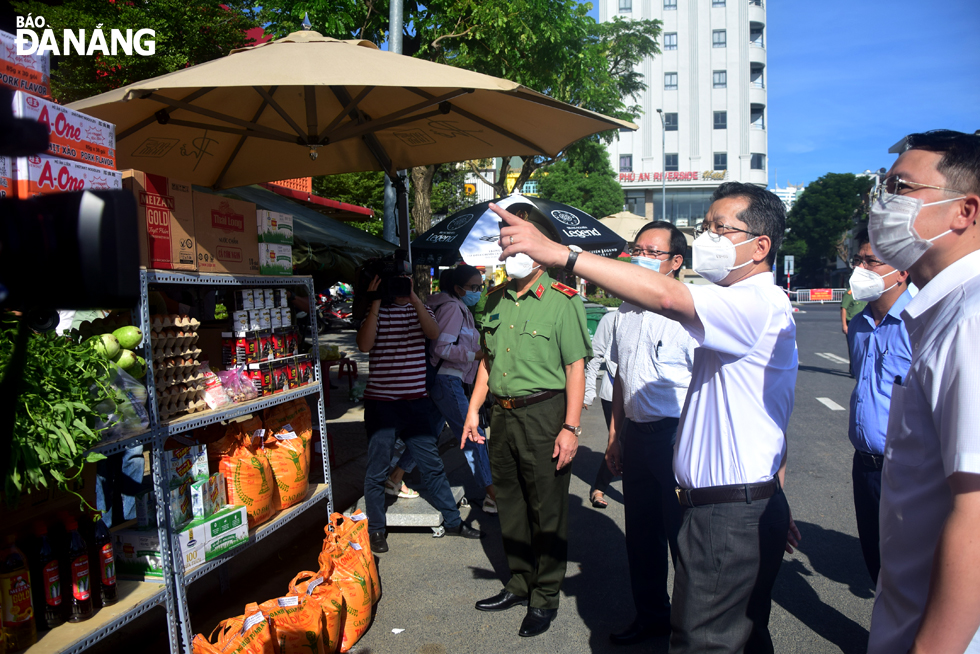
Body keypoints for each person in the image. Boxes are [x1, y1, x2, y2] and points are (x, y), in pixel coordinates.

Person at [493, 182, 800, 653]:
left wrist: (561, 254)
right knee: (736, 630)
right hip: (725, 494)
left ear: (761, 246)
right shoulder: (730, 305)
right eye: (706, 227)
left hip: (728, 508)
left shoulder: (753, 303)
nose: (709, 238)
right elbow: (767, 409)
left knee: (707, 638)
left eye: (721, 228)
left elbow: (667, 297)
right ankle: (652, 615)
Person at [865, 130, 980, 654]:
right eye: (883, 188)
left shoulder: (971, 319)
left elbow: (976, 512)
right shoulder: (944, 313)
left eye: (901, 188)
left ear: (964, 211)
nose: (882, 204)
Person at [462, 204, 592, 639]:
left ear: (541, 245)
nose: (507, 245)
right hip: (502, 414)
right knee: (511, 505)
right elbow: (486, 361)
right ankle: (519, 584)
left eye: (516, 237)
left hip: (544, 413)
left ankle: (545, 596)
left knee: (547, 510)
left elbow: (576, 368)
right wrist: (472, 411)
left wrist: (571, 428)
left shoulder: (562, 301)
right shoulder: (494, 299)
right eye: (505, 237)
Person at [604, 221, 697, 646]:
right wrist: (614, 436)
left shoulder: (689, 316)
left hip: (677, 438)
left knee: (684, 539)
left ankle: (691, 629)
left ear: (676, 262)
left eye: (652, 251)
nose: (640, 256)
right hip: (637, 437)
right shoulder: (624, 313)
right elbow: (622, 377)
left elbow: (706, 385)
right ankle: (651, 617)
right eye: (636, 248)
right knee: (641, 537)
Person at [356, 274, 482, 553]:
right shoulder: (375, 312)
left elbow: (434, 334)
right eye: (397, 285)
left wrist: (414, 297)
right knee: (377, 470)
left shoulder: (420, 309)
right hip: (382, 403)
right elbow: (364, 346)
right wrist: (375, 302)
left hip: (415, 403)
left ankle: (452, 522)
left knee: (432, 464)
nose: (401, 289)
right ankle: (376, 529)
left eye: (406, 283)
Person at [845, 228, 913, 586]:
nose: (861, 268)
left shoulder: (921, 321)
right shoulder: (858, 325)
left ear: (902, 271)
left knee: (911, 570)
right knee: (876, 561)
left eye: (872, 261)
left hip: (908, 468)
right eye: (859, 260)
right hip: (866, 466)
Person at [427, 265, 497, 513]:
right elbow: (441, 348)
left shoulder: (458, 307)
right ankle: (491, 494)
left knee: (428, 435)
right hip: (448, 380)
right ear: (458, 289)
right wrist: (474, 354)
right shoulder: (453, 309)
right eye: (474, 287)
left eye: (481, 286)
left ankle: (394, 478)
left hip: (448, 381)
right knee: (473, 434)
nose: (479, 291)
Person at [583, 309, 618, 509]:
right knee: (617, 441)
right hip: (612, 392)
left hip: (644, 395)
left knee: (634, 446)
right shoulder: (610, 319)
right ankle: (598, 487)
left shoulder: (659, 314)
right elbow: (595, 357)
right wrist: (589, 392)